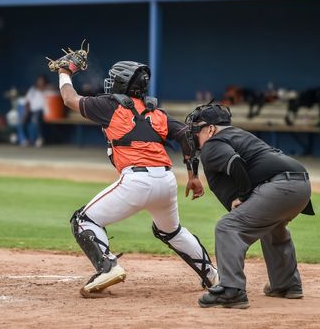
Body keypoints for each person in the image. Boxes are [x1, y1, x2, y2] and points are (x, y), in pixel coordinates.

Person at [57, 61, 218, 297]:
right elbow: (186, 134)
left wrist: (64, 73)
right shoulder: (156, 112)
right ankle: (213, 275)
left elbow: (70, 99)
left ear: (122, 83)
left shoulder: (109, 105)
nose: (110, 83)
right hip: (166, 180)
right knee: (171, 231)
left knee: (83, 220)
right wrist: (193, 175)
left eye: (114, 79)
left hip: (136, 180)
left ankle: (108, 267)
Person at [183, 103, 314, 309]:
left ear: (210, 129)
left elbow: (234, 162)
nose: (193, 135)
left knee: (228, 227)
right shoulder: (238, 134)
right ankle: (286, 285)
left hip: (280, 186)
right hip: (302, 185)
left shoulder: (213, 143)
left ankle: (231, 290)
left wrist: (242, 196)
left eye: (196, 130)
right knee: (273, 227)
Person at [23, 75, 50, 147]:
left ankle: (40, 139)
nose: (40, 82)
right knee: (24, 121)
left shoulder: (48, 89)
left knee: (36, 119)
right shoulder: (32, 90)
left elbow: (55, 89)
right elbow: (27, 102)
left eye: (42, 81)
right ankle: (26, 139)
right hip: (31, 111)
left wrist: (46, 88)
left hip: (42, 111)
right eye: (39, 81)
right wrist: (26, 112)